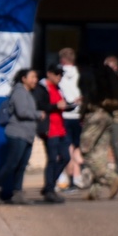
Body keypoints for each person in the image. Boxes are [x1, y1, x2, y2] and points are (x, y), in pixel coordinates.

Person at [0, 69, 43, 204]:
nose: (35, 80)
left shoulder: (28, 93)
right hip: (17, 134)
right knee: (11, 164)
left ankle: (17, 194)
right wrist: (38, 114)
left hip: (27, 135)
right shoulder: (19, 92)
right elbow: (22, 112)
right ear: (24, 78)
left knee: (21, 165)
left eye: (36, 77)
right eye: (33, 77)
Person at [79, 59, 118, 200]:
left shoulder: (88, 75)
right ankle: (95, 190)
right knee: (100, 152)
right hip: (108, 115)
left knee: (85, 150)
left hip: (95, 115)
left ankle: (111, 179)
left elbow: (87, 96)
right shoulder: (106, 75)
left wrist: (82, 113)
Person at [41, 64, 72, 203]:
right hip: (50, 129)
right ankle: (50, 190)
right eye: (57, 74)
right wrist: (55, 106)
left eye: (61, 74)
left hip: (61, 128)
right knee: (52, 159)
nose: (59, 77)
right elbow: (40, 106)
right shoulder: (43, 88)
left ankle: (49, 185)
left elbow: (62, 105)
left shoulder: (58, 88)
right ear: (49, 74)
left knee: (66, 157)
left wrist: (72, 105)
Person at [57, 48, 84, 189]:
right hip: (78, 114)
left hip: (64, 114)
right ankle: (77, 175)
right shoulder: (79, 74)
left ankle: (65, 176)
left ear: (62, 60)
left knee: (66, 147)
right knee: (77, 147)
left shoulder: (58, 74)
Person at [103, 56, 118, 180]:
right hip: (103, 118)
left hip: (116, 118)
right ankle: (102, 172)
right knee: (101, 146)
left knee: (116, 146)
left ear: (116, 68)